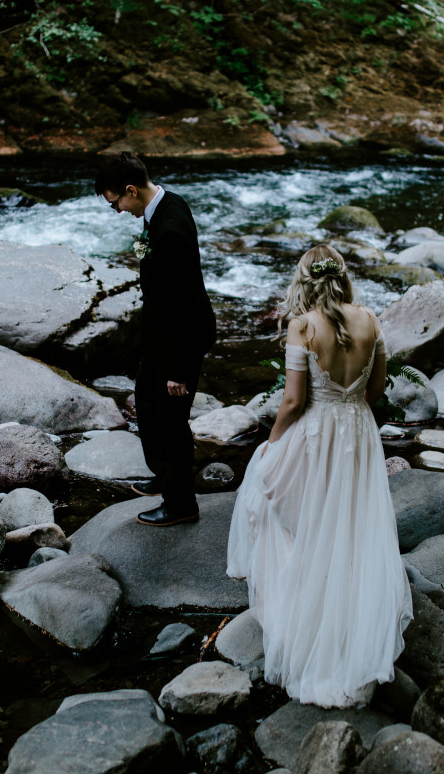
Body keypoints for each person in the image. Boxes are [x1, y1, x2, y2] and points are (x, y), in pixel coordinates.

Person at [226, 246, 412, 708]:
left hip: (317, 431)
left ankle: (302, 622)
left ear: (303, 280)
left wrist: (272, 443)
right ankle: (352, 623)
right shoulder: (370, 318)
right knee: (351, 526)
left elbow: (292, 401)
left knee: (289, 509)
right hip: (358, 431)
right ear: (343, 277)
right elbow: (375, 389)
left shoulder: (303, 325)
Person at [96, 152, 215, 527]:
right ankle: (164, 475)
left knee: (171, 418)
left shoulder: (170, 230)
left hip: (182, 337)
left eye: (115, 203)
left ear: (131, 190)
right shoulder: (164, 206)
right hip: (162, 332)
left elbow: (184, 302)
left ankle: (181, 504)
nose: (117, 211)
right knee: (146, 402)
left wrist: (178, 369)